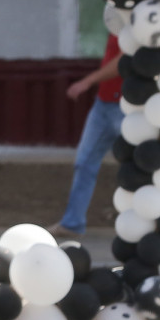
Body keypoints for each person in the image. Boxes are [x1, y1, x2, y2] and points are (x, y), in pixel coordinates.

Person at [49, 35, 123, 238]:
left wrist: (88, 81)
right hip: (104, 103)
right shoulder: (117, 18)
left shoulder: (139, 21)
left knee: (146, 163)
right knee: (85, 161)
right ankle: (72, 223)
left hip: (127, 105)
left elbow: (125, 60)